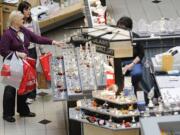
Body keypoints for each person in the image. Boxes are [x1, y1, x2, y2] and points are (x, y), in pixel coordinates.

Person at [0, 10, 63, 122]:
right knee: (11, 88)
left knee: (23, 87)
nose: (23, 20)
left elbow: (37, 38)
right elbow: (3, 51)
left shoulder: (23, 30)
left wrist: (53, 42)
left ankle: (23, 111)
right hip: (13, 64)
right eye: (21, 19)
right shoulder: (7, 34)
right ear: (14, 21)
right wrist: (17, 53)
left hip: (25, 64)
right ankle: (7, 114)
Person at [18, 1, 44, 104]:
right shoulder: (18, 23)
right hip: (21, 51)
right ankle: (25, 92)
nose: (28, 11)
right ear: (21, 11)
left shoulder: (34, 23)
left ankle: (32, 95)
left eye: (29, 9)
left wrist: (42, 50)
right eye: (26, 9)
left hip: (32, 50)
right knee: (24, 72)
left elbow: (38, 37)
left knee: (32, 73)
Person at [114, 16, 144, 95]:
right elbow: (111, 54)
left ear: (129, 28)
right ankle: (123, 90)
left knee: (137, 73)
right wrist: (117, 67)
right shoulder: (114, 37)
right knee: (115, 75)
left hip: (133, 61)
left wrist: (132, 64)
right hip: (119, 61)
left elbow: (141, 54)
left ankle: (131, 88)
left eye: (123, 29)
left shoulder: (136, 37)